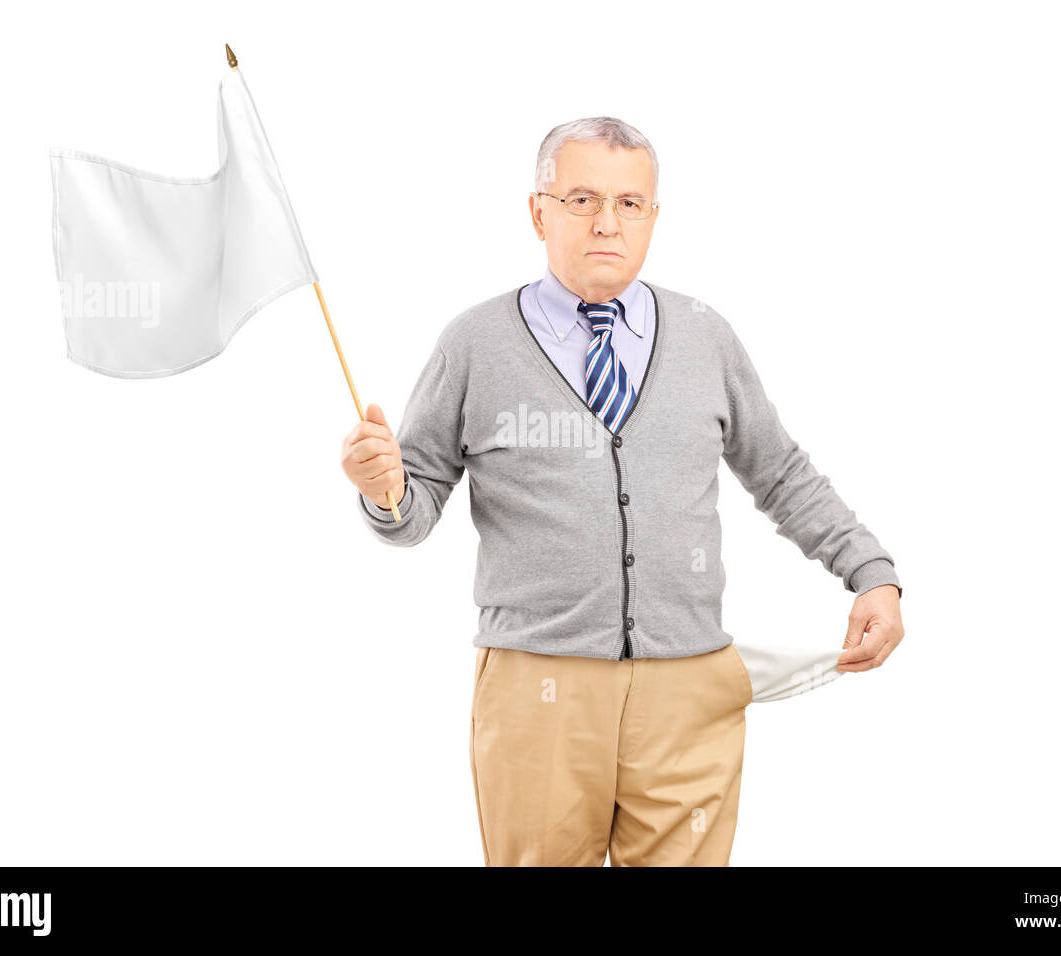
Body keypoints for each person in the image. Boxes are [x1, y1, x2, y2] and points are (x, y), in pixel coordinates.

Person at [340, 117, 905, 866]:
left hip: (691, 687)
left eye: (630, 204)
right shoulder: (473, 344)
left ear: (653, 217)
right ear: (538, 211)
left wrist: (870, 572)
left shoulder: (707, 337)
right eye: (581, 199)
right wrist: (384, 491)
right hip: (539, 688)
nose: (608, 221)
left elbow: (779, 471)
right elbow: (412, 512)